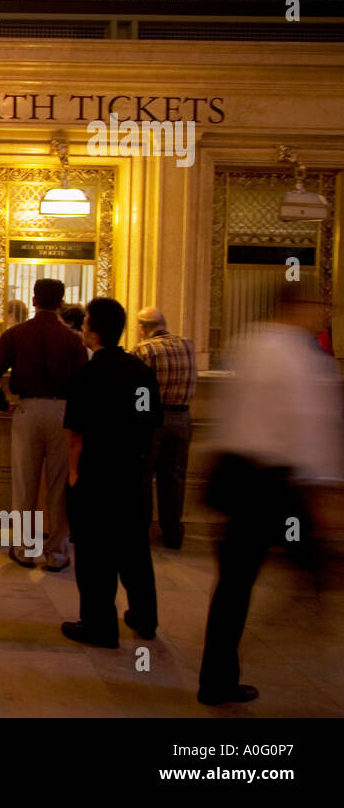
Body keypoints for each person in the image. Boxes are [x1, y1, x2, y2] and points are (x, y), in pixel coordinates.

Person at [198, 283, 341, 706]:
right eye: (320, 306)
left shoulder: (248, 343)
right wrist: (326, 491)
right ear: (301, 307)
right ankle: (307, 616)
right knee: (311, 565)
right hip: (277, 486)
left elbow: (228, 411)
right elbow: (309, 423)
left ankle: (216, 679)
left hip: (237, 478)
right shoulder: (302, 356)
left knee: (233, 586)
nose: (322, 315)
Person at [60, 297, 162, 648]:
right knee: (134, 550)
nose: (84, 329)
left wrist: (73, 474)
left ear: (93, 330)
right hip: (131, 472)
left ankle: (99, 625)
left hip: (96, 473)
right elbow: (148, 419)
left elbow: (76, 433)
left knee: (94, 554)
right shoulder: (140, 373)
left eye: (86, 323)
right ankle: (145, 618)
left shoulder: (87, 376)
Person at [0, 278, 87, 572]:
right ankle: (57, 553)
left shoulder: (16, 334)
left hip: (28, 409)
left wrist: (3, 403)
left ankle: (25, 549)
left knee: (25, 484)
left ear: (34, 299)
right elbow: (84, 382)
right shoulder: (72, 339)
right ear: (61, 302)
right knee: (58, 486)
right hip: (63, 413)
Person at [131, 306, 197, 549]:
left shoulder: (143, 350)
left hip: (152, 420)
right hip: (182, 418)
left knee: (143, 477)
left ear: (142, 327)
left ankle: (142, 530)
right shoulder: (187, 345)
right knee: (175, 477)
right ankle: (173, 533)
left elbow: (134, 388)